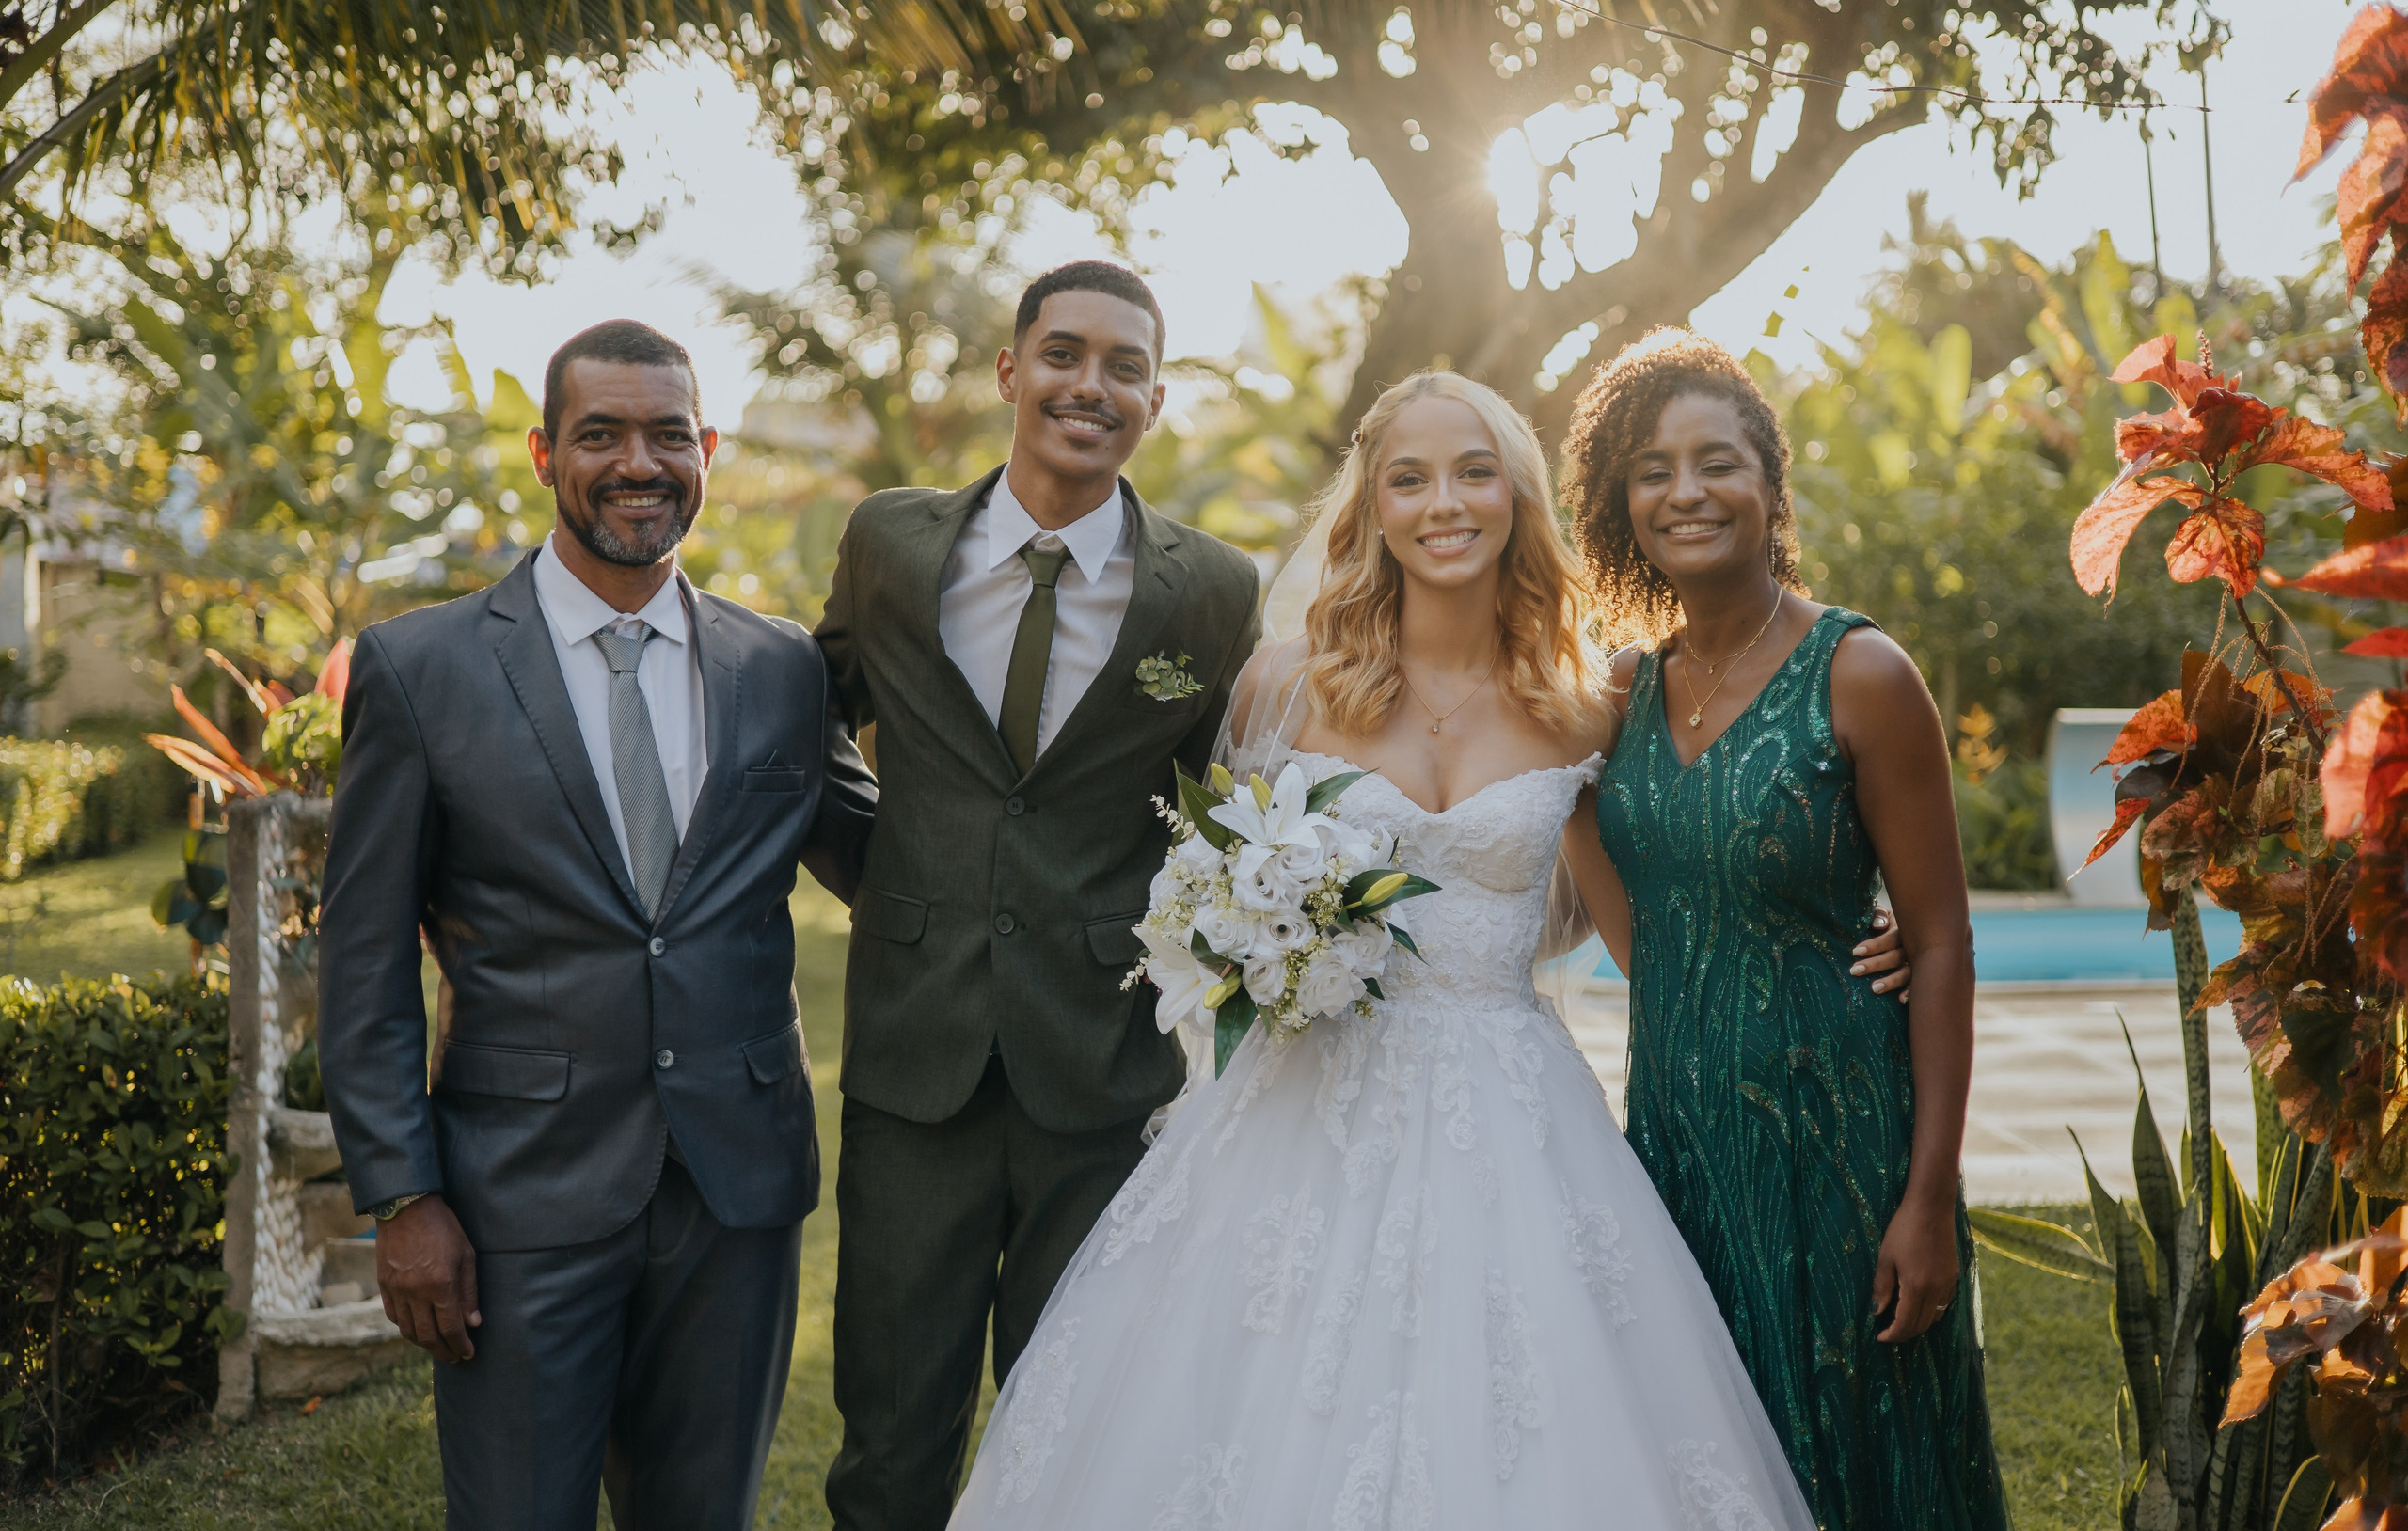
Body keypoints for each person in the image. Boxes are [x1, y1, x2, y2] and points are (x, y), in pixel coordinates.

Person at [944, 371, 1909, 1529]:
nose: (1442, 503)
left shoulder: (1587, 699)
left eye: (1472, 472)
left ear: (1517, 497)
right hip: (1300, 1109)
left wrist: (1839, 935)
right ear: (1373, 508)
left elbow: (1654, 908)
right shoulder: (1286, 684)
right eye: (1408, 478)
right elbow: (1215, 884)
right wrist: (1262, 942)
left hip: (1512, 1106)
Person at [318, 320, 877, 1531]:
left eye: (669, 433)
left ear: (708, 448)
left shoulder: (780, 667)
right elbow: (360, 958)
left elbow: (885, 862)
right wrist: (402, 1197)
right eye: (602, 434)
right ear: (543, 453)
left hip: (736, 1189)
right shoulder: (422, 671)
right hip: (517, 1194)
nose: (640, 462)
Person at [813, 260, 1263, 1531]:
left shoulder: (1210, 589)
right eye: (1064, 353)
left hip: (1104, 1067)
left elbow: (1237, 801)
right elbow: (807, 725)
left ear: (1156, 401)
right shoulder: (892, 544)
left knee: (1075, 1425)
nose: (1090, 384)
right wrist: (885, 870)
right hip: (916, 1060)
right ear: (1012, 370)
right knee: (891, 1434)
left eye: (1125, 367)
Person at [1562, 328, 2010, 1530]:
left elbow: (1940, 944)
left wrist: (1926, 1199)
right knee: (1707, 1456)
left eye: (1717, 461)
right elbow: (1643, 938)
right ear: (1621, 504)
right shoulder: (1620, 693)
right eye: (1651, 470)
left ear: (1769, 481)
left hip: (1842, 1142)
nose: (1685, 492)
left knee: (1863, 1448)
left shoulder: (1857, 671)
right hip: (1676, 1141)